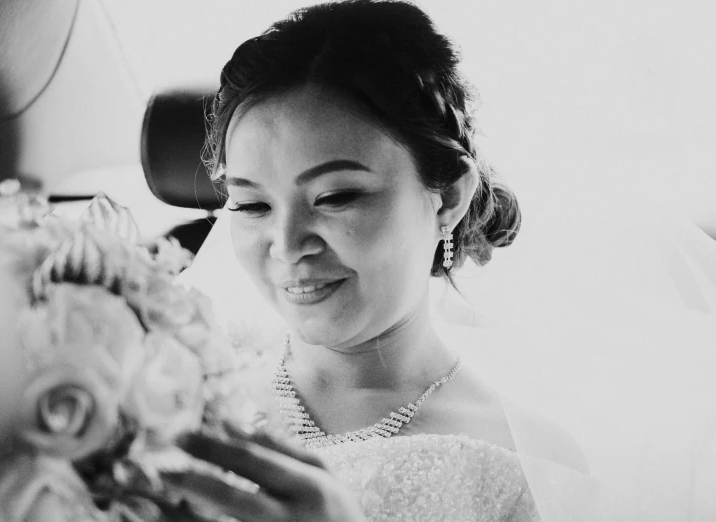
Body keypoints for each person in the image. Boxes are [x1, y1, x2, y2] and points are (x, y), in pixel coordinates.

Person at [178, 0, 716, 520]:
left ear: (450, 196)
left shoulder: (526, 464)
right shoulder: (168, 380)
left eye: (337, 196)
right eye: (251, 205)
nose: (288, 243)